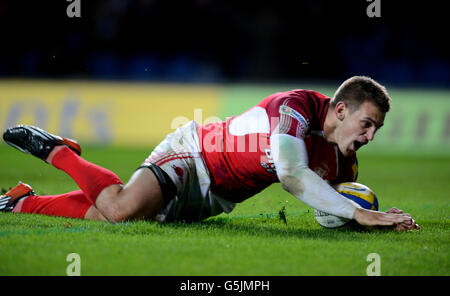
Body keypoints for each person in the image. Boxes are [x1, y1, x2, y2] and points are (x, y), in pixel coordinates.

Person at [0, 76, 419, 231]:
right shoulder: (296, 107)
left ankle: (22, 202)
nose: (370, 135)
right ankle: (61, 152)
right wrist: (358, 212)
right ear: (340, 110)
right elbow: (292, 174)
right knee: (122, 209)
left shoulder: (346, 161)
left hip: (218, 197)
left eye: (377, 128)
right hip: (195, 153)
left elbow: (333, 206)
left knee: (107, 214)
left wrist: (377, 218)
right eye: (367, 123)